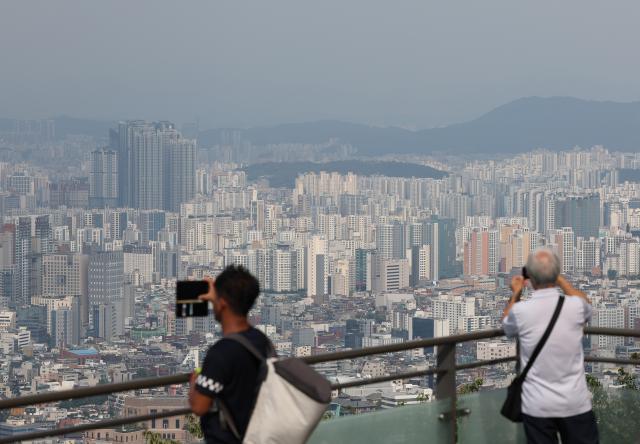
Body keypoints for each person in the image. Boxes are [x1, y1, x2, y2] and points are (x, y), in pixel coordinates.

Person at [503, 248, 599, 444]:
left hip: (537, 405)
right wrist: (561, 280)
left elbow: (507, 323)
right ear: (556, 274)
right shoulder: (575, 306)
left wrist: (516, 293)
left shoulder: (521, 311)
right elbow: (586, 303)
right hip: (574, 402)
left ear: (529, 276)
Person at [189, 265, 272, 444]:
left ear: (223, 303)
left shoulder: (221, 353)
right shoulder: (261, 341)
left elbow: (199, 406)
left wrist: (194, 385)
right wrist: (217, 297)